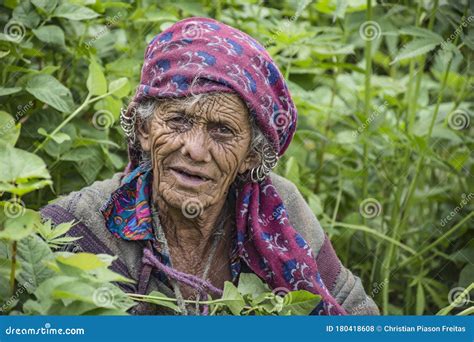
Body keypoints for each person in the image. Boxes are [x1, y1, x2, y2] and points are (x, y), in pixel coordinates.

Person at [41, 17, 379, 315]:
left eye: (222, 131)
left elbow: (356, 315)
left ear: (251, 155)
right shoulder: (78, 226)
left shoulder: (280, 212)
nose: (195, 150)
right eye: (178, 121)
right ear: (144, 130)